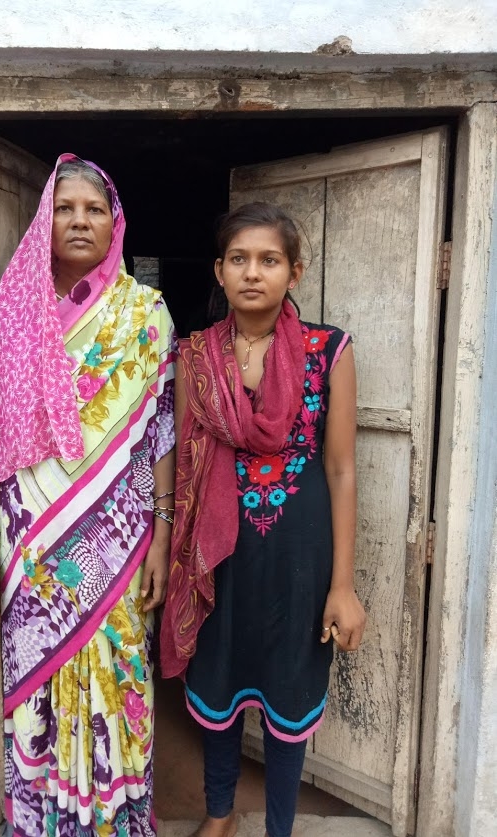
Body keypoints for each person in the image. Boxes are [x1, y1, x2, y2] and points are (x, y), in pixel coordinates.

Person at [0, 154, 177, 837]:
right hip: (31, 545)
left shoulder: (145, 314)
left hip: (118, 543)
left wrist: (164, 536)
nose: (80, 220)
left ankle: (114, 821)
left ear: (114, 222)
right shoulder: (11, 318)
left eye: (93, 208)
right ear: (44, 220)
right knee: (42, 696)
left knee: (121, 681)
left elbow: (162, 430)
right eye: (65, 208)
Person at [161, 202, 366, 837]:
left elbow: (340, 470)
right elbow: (180, 455)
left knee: (288, 695)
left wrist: (342, 585)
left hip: (298, 565)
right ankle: (219, 816)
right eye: (240, 259)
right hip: (217, 557)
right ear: (219, 272)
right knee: (217, 693)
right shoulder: (194, 356)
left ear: (294, 272)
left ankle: (280, 827)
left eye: (270, 260)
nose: (254, 272)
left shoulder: (327, 350)